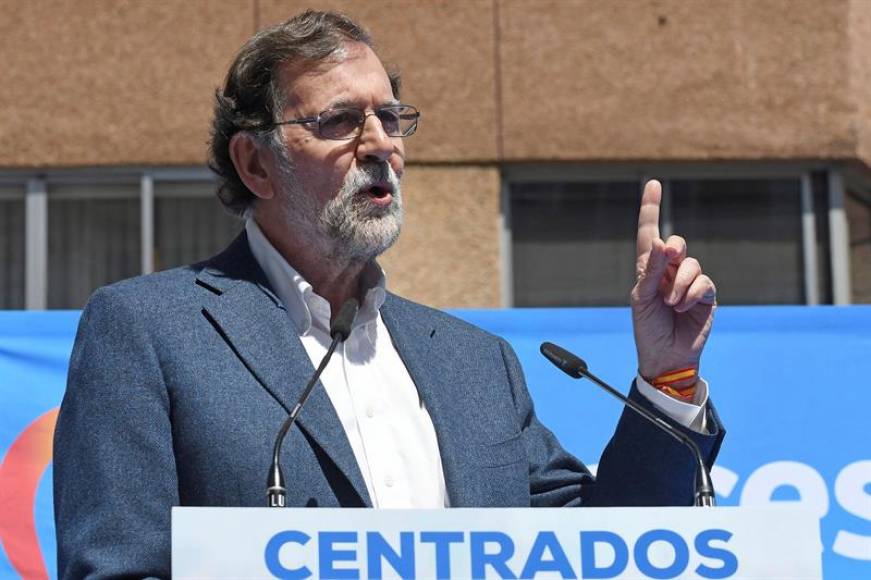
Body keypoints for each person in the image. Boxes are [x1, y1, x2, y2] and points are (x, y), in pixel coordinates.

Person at [53, 10, 724, 578]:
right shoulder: (150, 330)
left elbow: (601, 554)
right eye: (340, 121)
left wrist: (666, 372)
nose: (379, 145)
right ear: (256, 163)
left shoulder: (475, 363)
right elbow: (118, 566)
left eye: (389, 117)